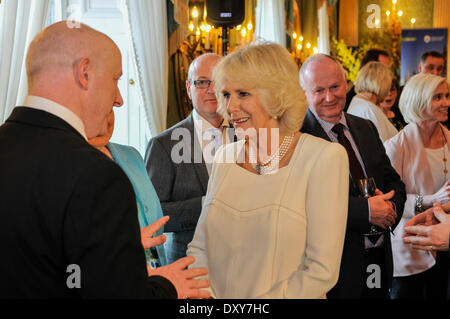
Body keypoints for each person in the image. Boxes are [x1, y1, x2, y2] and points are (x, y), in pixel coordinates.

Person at [0, 21, 210, 299]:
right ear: (84, 73)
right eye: (115, 79)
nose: (120, 99)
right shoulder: (96, 175)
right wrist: (168, 286)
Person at [187, 43, 349, 298]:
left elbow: (322, 270)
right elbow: (200, 247)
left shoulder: (324, 158)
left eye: (243, 94)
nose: (229, 107)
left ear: (275, 95)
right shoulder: (225, 157)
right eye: (227, 95)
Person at [300, 54, 406, 299]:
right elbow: (304, 202)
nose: (330, 97)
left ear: (346, 84)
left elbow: (394, 182)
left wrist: (389, 207)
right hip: (335, 272)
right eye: (319, 90)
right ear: (304, 92)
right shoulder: (296, 138)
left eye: (335, 87)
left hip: (378, 261)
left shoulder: (365, 127)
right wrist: (367, 211)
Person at [145, 53, 234, 264]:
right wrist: (208, 204)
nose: (211, 90)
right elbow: (154, 216)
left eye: (218, 81)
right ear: (188, 88)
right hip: (188, 268)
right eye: (202, 82)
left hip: (242, 264)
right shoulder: (164, 145)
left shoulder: (247, 136)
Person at [384, 73, 450, 299]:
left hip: (444, 246)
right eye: (438, 97)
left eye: (447, 96)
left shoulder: (449, 138)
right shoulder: (396, 146)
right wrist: (430, 200)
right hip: (409, 246)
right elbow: (389, 198)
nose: (447, 103)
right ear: (419, 101)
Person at [88, 112, 168, 268]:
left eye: (109, 109)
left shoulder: (132, 155)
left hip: (157, 271)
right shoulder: (69, 166)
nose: (105, 117)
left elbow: (155, 218)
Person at [347, 61, 399, 142]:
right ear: (382, 84)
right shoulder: (369, 110)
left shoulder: (358, 103)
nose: (388, 91)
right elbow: (383, 149)